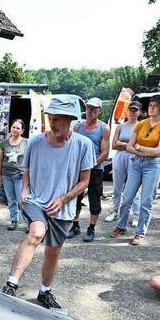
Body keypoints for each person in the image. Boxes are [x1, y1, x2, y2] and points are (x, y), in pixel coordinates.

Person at [1, 96, 95, 310]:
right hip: (36, 200)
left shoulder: (83, 145)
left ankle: (45, 292)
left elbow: (85, 181)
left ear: (70, 120)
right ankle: (11, 285)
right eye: (51, 119)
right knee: (36, 232)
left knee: (53, 251)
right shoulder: (35, 141)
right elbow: (27, 169)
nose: (53, 124)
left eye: (58, 119)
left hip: (63, 206)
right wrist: (25, 189)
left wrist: (63, 199)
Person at [111, 95, 160, 245]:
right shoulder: (141, 124)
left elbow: (159, 151)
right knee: (127, 197)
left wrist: (139, 147)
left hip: (152, 165)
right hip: (136, 163)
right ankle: (121, 226)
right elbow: (130, 147)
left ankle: (140, 233)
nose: (151, 108)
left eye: (155, 105)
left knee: (146, 201)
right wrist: (141, 151)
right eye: (150, 105)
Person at [67, 97, 110, 241]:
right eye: (88, 108)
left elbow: (105, 153)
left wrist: (90, 165)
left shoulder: (104, 128)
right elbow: (72, 148)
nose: (90, 111)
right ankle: (75, 225)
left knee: (94, 199)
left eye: (93, 108)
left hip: (95, 169)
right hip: (78, 169)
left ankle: (91, 228)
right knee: (75, 197)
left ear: (100, 111)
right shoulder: (77, 127)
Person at [104, 101, 142, 225]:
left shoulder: (141, 126)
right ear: (127, 111)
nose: (132, 112)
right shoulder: (121, 126)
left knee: (134, 186)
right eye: (131, 110)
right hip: (120, 157)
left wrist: (124, 144)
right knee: (117, 186)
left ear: (139, 112)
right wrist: (129, 145)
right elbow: (114, 145)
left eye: (135, 110)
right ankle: (114, 211)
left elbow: (138, 146)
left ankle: (136, 214)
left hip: (134, 157)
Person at [0, 119, 28, 230]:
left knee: (22, 200)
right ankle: (14, 220)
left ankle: (29, 222)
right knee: (11, 200)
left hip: (19, 176)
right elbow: (0, 160)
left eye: (18, 128)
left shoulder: (26, 143)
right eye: (13, 127)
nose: (15, 129)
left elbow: (31, 159)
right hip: (6, 176)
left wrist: (28, 174)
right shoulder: (4, 143)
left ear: (22, 130)